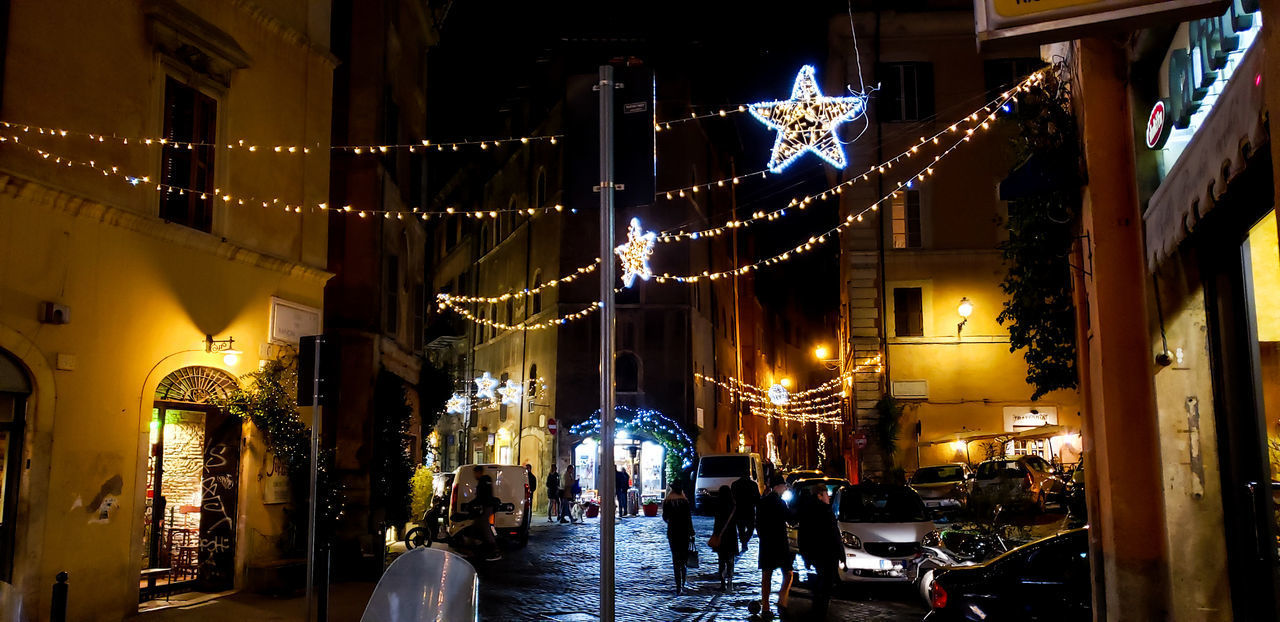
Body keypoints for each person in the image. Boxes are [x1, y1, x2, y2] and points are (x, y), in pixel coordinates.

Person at [797, 487, 841, 617]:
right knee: (825, 583)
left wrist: (806, 555)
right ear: (819, 496)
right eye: (826, 494)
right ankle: (820, 611)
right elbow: (834, 534)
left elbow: (803, 535)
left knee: (821, 582)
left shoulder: (808, 511)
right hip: (826, 554)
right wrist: (840, 553)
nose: (829, 497)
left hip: (816, 554)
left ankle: (818, 608)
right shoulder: (825, 511)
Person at [756, 475, 795, 619]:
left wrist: (763, 537)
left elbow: (758, 524)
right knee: (788, 573)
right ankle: (782, 600)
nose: (785, 488)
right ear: (778, 486)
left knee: (766, 576)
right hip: (779, 543)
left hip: (766, 544)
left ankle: (765, 607)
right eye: (783, 486)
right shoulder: (780, 503)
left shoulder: (762, 502)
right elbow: (790, 519)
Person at [662, 484, 695, 594]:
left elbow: (665, 517)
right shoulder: (684, 502)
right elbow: (689, 518)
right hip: (684, 532)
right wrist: (692, 532)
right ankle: (683, 580)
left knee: (675, 558)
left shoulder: (668, 502)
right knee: (683, 557)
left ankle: (678, 584)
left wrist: (671, 521)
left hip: (673, 532)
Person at [466, 465, 502, 561]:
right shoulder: (486, 481)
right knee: (475, 526)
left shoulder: (483, 482)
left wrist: (472, 504)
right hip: (486, 507)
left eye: (475, 473)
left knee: (485, 529)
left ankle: (495, 551)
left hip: (485, 508)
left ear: (478, 472)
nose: (474, 475)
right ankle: (470, 550)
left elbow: (482, 497)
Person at [712, 485, 738, 591]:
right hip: (731, 536)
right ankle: (730, 580)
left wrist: (715, 534)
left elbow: (717, 523)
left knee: (721, 560)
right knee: (730, 560)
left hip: (722, 537)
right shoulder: (734, 506)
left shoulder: (719, 506)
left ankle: (722, 582)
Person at [731, 473, 761, 555]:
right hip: (749, 510)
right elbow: (757, 498)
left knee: (741, 529)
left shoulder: (735, 484)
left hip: (739, 510)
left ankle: (744, 542)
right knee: (750, 529)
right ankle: (744, 541)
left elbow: (732, 497)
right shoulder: (753, 484)